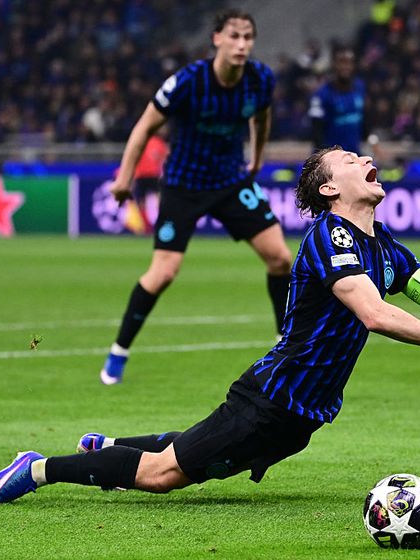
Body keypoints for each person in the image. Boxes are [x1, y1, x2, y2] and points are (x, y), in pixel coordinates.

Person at [0, 147, 420, 505]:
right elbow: (375, 314)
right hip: (270, 398)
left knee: (186, 461)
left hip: (301, 418)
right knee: (161, 477)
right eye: (351, 159)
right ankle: (38, 468)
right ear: (331, 188)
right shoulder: (332, 238)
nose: (366, 160)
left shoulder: (387, 251)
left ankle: (105, 448)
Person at [99, 10, 293, 385]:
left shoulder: (260, 79)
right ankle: (118, 351)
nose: (242, 45)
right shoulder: (188, 82)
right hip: (183, 185)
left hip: (230, 181)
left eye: (248, 37)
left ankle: (285, 343)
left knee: (280, 257)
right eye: (234, 36)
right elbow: (144, 127)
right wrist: (124, 178)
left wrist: (256, 158)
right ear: (216, 38)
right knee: (164, 273)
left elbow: (262, 118)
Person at [309, 46, 366, 155]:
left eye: (349, 62)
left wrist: (372, 140)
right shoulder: (321, 95)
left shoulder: (359, 87)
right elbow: (316, 132)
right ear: (334, 64)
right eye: (342, 62)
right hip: (332, 159)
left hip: (354, 155)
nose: (346, 67)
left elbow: (363, 119)